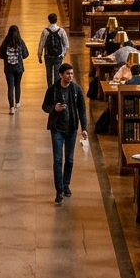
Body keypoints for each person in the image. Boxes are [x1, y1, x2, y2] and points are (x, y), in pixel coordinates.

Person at [41, 62, 88, 204]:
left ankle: (66, 184)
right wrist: (54, 108)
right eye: (68, 74)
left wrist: (84, 128)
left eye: (72, 74)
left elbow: (82, 109)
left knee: (69, 159)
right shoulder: (52, 90)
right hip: (57, 128)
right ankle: (59, 190)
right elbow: (44, 106)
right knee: (57, 159)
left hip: (72, 128)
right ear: (61, 75)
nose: (70, 76)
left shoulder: (76, 89)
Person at [0, 23, 29, 114]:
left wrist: (7, 58)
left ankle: (11, 107)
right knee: (18, 85)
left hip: (8, 68)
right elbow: (26, 54)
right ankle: (17, 103)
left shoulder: (6, 42)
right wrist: (19, 57)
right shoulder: (20, 41)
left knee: (10, 87)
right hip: (19, 67)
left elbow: (0, 55)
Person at [38, 12, 69, 87]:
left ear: (49, 20)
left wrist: (39, 55)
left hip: (48, 56)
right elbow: (66, 44)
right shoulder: (61, 31)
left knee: (49, 74)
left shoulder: (45, 31)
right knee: (57, 74)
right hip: (58, 56)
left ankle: (50, 89)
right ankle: (57, 89)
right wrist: (63, 54)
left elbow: (41, 44)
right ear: (56, 20)